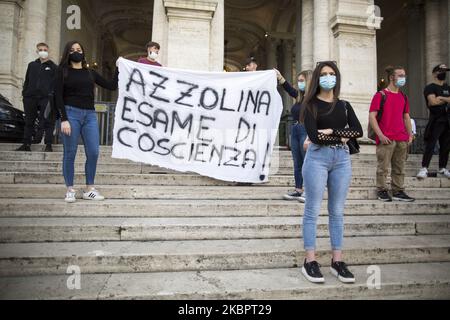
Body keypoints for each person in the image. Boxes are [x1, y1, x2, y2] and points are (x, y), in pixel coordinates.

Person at [300, 61, 363, 284]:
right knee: (312, 210)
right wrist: (342, 134)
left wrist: (331, 131)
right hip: (317, 158)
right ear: (318, 78)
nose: (329, 77)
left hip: (342, 160)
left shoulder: (344, 105)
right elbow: (315, 137)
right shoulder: (310, 104)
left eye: (332, 73)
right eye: (324, 74)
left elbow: (358, 131)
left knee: (337, 211)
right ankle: (310, 261)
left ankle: (337, 261)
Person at [55, 41, 119, 203]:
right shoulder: (62, 71)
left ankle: (89, 188)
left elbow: (111, 86)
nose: (76, 52)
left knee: (94, 152)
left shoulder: (90, 73)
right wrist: (63, 119)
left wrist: (119, 67)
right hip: (70, 114)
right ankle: (70, 189)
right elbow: (57, 96)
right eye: (72, 50)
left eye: (79, 49)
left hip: (89, 115)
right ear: (67, 53)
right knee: (70, 153)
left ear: (83, 52)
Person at [369, 66, 415, 202]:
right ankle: (382, 190)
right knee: (383, 167)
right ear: (391, 77)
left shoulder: (403, 97)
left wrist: (410, 135)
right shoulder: (380, 95)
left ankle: (398, 191)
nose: (403, 78)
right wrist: (380, 135)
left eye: (404, 75)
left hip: (401, 138)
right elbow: (372, 117)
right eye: (400, 75)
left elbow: (406, 117)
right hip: (386, 138)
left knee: (400, 167)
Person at [275, 69, 313, 202]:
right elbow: (289, 89)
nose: (299, 83)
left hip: (306, 129)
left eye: (302, 81)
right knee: (297, 162)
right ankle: (298, 190)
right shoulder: (299, 97)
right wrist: (280, 77)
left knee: (307, 162)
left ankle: (310, 191)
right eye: (298, 81)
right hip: (296, 129)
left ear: (308, 82)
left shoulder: (314, 98)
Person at [16, 42, 57, 152]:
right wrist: (25, 93)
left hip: (45, 98)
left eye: (45, 49)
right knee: (29, 121)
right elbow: (27, 80)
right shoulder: (32, 65)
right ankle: (26, 144)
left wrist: (51, 95)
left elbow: (56, 83)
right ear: (37, 51)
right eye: (40, 49)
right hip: (30, 97)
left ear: (48, 51)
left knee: (48, 120)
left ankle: (48, 144)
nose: (43, 51)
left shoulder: (54, 67)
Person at [416, 64, 450, 179]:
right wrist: (446, 100)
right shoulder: (430, 87)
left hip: (447, 120)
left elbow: (437, 100)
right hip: (436, 119)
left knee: (445, 145)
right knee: (431, 144)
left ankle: (443, 168)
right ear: (435, 73)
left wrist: (441, 98)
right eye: (442, 71)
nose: (444, 73)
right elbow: (432, 102)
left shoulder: (447, 87)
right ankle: (424, 167)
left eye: (445, 71)